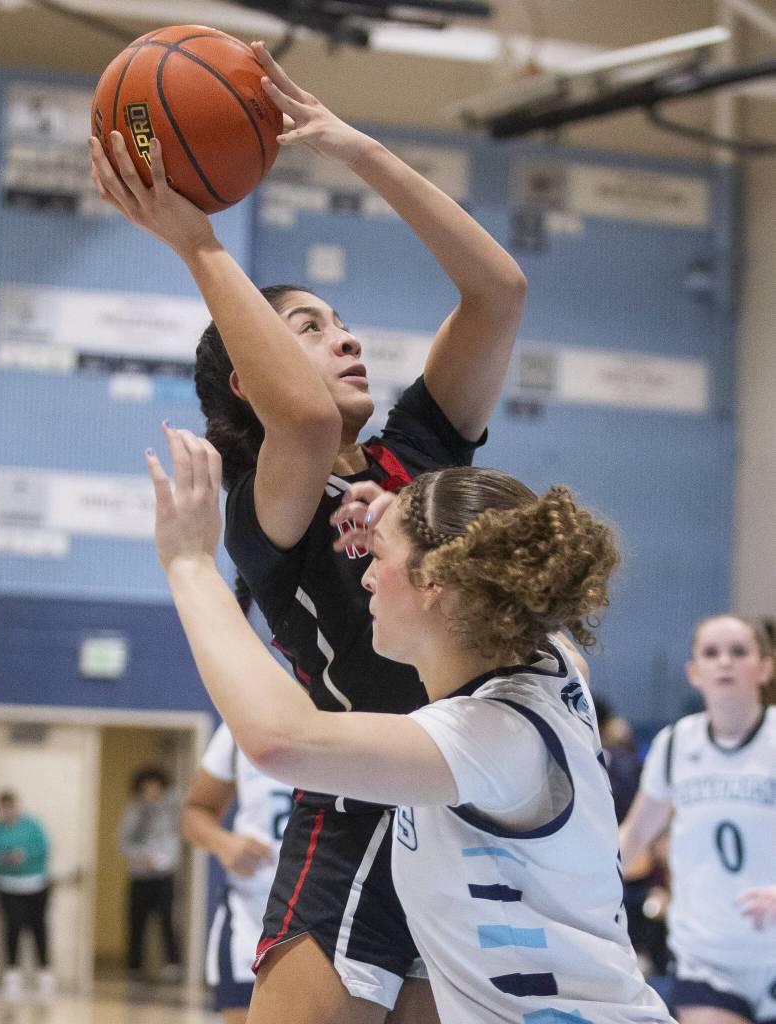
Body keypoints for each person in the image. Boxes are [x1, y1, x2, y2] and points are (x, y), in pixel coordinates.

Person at [89, 39, 526, 1024]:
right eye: (310, 328)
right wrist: (198, 242)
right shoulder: (261, 505)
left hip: (472, 814)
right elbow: (306, 421)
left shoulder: (418, 452)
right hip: (358, 811)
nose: (348, 336)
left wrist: (356, 149)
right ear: (250, 376)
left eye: (342, 320)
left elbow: (497, 291)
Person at [143, 426, 678, 1024]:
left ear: (436, 585)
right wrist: (400, 516)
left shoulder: (493, 733)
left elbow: (280, 739)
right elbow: (496, 576)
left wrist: (190, 564)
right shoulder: (550, 664)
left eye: (378, 557)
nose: (365, 577)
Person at [620, 615, 776, 1024]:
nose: (725, 662)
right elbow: (632, 839)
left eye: (739, 652)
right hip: (707, 957)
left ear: (765, 666)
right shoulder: (675, 744)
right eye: (711, 653)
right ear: (693, 671)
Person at [182, 721, 292, 1024]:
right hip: (253, 915)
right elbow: (195, 810)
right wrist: (224, 843)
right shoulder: (242, 724)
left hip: (336, 912)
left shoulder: (361, 713)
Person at [117, 766, 182, 980]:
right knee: (137, 922)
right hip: (141, 874)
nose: (152, 789)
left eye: (155, 785)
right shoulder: (134, 810)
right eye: (147, 786)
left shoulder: (171, 806)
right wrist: (143, 857)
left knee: (167, 920)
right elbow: (124, 842)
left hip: (164, 874)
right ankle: (134, 966)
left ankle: (172, 964)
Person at [0, 790, 54, 999]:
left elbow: (43, 849)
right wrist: (4, 860)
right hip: (8, 886)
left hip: (35, 884)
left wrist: (23, 856)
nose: (8, 811)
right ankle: (12, 973)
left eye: (11, 806)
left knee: (38, 927)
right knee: (12, 927)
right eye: (4, 807)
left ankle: (44, 972)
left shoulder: (32, 825)